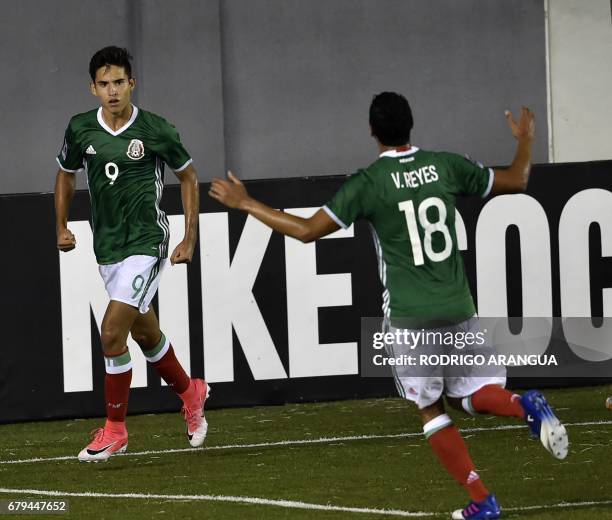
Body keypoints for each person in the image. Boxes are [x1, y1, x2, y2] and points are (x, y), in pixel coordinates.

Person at [209, 92, 568, 519]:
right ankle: (523, 404)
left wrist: (246, 202)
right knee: (468, 393)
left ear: (371, 131)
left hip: (411, 316)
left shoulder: (371, 182)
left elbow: (306, 231)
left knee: (432, 408)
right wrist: (525, 139)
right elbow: (516, 180)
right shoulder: (445, 164)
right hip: (458, 306)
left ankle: (482, 500)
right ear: (410, 125)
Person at [55, 46, 210, 462]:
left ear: (131, 84)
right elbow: (66, 175)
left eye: (119, 82)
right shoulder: (81, 129)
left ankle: (115, 430)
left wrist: (189, 236)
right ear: (93, 88)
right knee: (145, 335)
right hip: (108, 248)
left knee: (111, 334)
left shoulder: (155, 129)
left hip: (147, 242)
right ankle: (190, 392)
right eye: (104, 84)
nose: (112, 91)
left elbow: (190, 176)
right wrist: (62, 225)